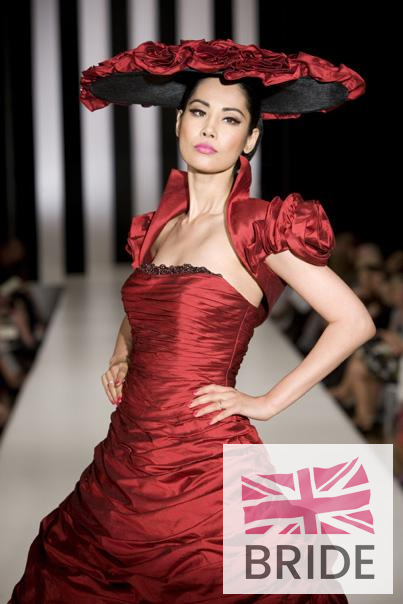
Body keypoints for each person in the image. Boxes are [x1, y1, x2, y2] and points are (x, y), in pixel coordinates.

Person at [8, 39, 374, 603]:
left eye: (230, 119)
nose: (209, 128)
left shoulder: (259, 225)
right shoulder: (159, 227)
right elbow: (146, 305)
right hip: (127, 454)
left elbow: (353, 320)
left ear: (250, 138)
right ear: (179, 123)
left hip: (207, 460)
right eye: (199, 112)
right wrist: (122, 353)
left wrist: (267, 402)